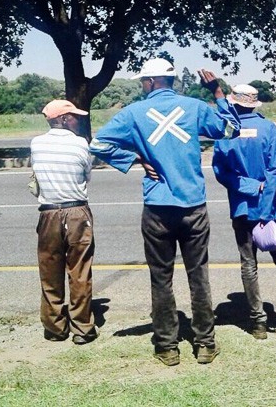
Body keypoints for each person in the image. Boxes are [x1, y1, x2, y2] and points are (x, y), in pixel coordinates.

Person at [89, 57, 240, 366]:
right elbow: (230, 130)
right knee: (199, 276)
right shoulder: (195, 107)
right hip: (193, 205)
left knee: (161, 279)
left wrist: (134, 159)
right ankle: (206, 343)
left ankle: (167, 347)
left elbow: (97, 144)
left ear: (150, 82)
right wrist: (219, 93)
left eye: (142, 82)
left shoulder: (133, 113)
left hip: (158, 208)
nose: (141, 87)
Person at [211, 84, 276, 340]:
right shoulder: (269, 128)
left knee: (248, 263)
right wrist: (265, 210)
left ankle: (258, 323)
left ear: (235, 103)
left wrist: (247, 186)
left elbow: (220, 171)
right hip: (270, 209)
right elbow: (273, 172)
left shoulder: (226, 132)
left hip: (242, 207)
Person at [30, 99, 98, 345]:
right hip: (76, 211)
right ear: (63, 119)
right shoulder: (81, 144)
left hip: (48, 213)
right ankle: (82, 327)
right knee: (79, 271)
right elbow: (86, 176)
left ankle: (55, 326)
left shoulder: (36, 144)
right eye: (74, 117)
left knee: (50, 271)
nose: (78, 120)